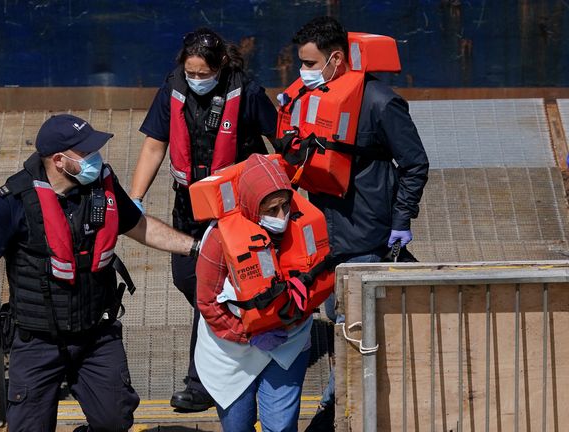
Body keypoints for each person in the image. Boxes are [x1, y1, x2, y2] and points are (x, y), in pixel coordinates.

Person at [0, 114, 200, 432]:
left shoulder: (102, 188)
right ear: (59, 160)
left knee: (114, 421)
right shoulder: (15, 200)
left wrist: (196, 248)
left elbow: (139, 226)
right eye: (87, 153)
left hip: (95, 334)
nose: (97, 158)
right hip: (38, 338)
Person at [280, 17, 429, 430]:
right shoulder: (312, 99)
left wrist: (401, 219)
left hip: (366, 236)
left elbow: (415, 164)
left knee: (353, 336)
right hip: (325, 238)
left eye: (310, 63)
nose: (303, 71)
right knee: (344, 328)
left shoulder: (381, 102)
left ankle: (331, 416)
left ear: (336, 59)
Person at [129, 27, 278, 412]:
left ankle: (203, 382)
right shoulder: (172, 90)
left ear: (220, 66)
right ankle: (233, 351)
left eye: (202, 74)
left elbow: (279, 141)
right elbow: (154, 143)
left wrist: (280, 199)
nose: (196, 80)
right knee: (190, 282)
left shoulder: (247, 92)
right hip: (191, 207)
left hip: (237, 211)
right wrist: (137, 198)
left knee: (209, 293)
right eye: (190, 73)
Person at [194, 154, 333, 431]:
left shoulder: (300, 227)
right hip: (231, 350)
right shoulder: (219, 238)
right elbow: (207, 302)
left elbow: (315, 283)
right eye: (272, 210)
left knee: (281, 427)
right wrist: (247, 334)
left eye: (285, 206)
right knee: (238, 425)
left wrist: (289, 321)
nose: (281, 217)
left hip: (288, 340)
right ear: (251, 207)